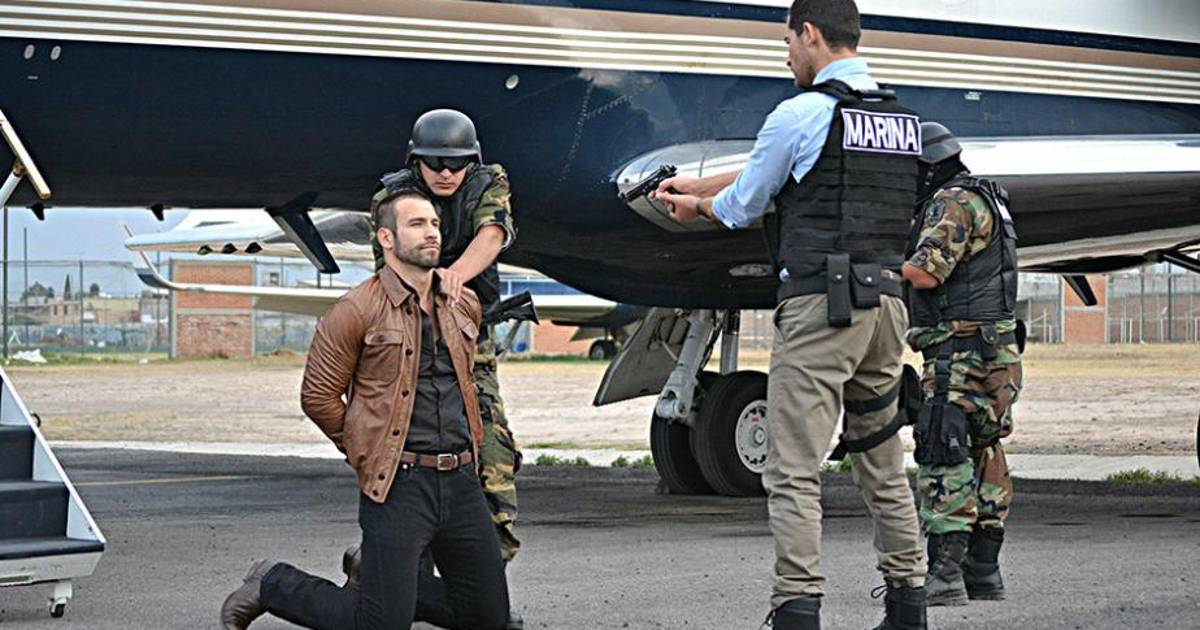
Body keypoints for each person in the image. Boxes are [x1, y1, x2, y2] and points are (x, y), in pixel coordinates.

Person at [654, 1, 926, 628]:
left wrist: (697, 207)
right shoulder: (902, 121)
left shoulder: (799, 112)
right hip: (886, 306)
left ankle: (797, 607)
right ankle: (909, 602)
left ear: (809, 34)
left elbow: (745, 205)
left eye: (787, 42)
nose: (785, 57)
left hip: (822, 307)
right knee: (882, 460)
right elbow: (795, 171)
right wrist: (703, 185)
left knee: (792, 468)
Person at [219, 190, 509, 630]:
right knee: (380, 626)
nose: (431, 233)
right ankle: (273, 583)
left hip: (462, 480)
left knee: (490, 620)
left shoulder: (462, 303)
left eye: (434, 223)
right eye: (417, 224)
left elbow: (466, 384)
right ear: (386, 238)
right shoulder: (356, 309)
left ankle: (376, 578)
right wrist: (368, 449)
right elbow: (318, 396)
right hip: (399, 484)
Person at [348, 109, 525, 629]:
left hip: (469, 345)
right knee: (407, 468)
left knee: (493, 466)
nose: (446, 173)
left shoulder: (488, 183)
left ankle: (466, 596)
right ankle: (397, 586)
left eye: (457, 163)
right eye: (435, 163)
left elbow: (493, 232)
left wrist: (455, 277)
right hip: (410, 347)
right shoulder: (392, 198)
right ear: (415, 161)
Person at [903, 122, 1022, 607]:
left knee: (943, 447)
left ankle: (945, 574)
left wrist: (881, 269)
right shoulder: (990, 197)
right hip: (996, 351)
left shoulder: (952, 201)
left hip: (958, 352)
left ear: (927, 166)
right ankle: (984, 571)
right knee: (984, 449)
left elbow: (926, 273)